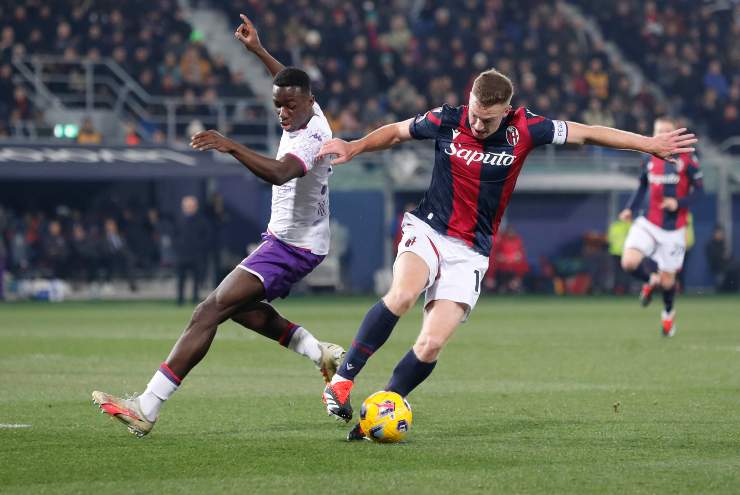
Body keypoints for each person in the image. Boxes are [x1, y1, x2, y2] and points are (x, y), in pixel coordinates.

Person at [317, 68, 696, 439]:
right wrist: (354, 145)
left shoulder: (526, 129)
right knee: (402, 295)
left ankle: (386, 405)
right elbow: (396, 133)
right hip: (430, 228)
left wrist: (647, 143)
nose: (478, 125)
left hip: (471, 251)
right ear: (469, 100)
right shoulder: (447, 119)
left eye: (487, 119)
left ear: (506, 110)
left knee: (431, 344)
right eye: (475, 114)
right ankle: (343, 380)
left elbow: (590, 133)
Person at [92, 14, 344, 437]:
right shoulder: (309, 109)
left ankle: (147, 407)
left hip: (293, 246)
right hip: (292, 240)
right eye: (277, 104)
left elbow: (282, 173)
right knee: (239, 311)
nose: (282, 113)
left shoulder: (311, 138)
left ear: (307, 102)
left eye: (289, 105)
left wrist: (230, 145)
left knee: (207, 311)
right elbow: (287, 82)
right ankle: (319, 352)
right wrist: (259, 51)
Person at [619, 117, 703, 337]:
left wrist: (679, 203)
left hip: (674, 230)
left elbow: (700, 191)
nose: (663, 135)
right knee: (628, 262)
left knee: (668, 283)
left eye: (667, 131)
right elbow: (642, 185)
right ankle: (650, 279)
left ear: (674, 133)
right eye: (659, 131)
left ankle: (667, 315)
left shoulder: (687, 158)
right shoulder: (648, 157)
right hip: (648, 222)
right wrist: (630, 208)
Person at [174, 195, 210, 306]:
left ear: (195, 207)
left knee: (196, 278)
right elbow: (174, 235)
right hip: (182, 254)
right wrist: (177, 246)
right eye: (186, 206)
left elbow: (207, 236)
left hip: (196, 254)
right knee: (181, 278)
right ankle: (180, 300)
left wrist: (200, 247)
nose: (188, 208)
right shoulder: (178, 219)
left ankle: (195, 299)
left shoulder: (202, 220)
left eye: (190, 206)